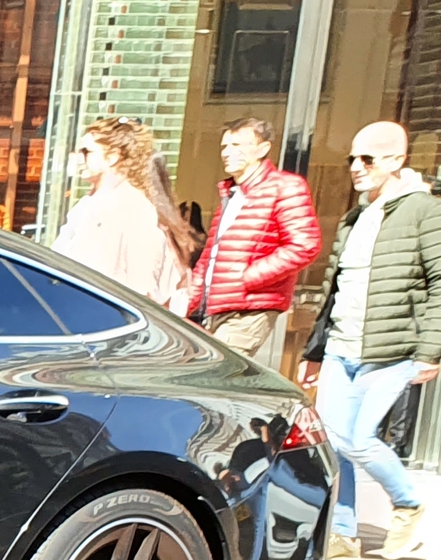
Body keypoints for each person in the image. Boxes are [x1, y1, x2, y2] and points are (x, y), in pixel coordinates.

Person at [300, 120, 435, 560]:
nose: (356, 167)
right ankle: (342, 531)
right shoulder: (356, 216)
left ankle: (408, 504)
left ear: (396, 161)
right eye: (352, 159)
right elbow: (334, 289)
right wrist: (316, 352)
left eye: (367, 159)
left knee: (357, 439)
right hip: (342, 346)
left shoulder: (422, 212)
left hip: (391, 349)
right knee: (333, 441)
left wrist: (430, 352)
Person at [188, 117, 321, 370]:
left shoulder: (285, 187)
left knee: (217, 376)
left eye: (237, 145)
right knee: (212, 377)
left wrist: (248, 277)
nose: (227, 153)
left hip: (249, 309)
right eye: (225, 146)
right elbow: (210, 257)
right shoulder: (232, 192)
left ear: (263, 149)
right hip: (219, 306)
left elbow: (305, 244)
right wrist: (190, 299)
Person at [53, 117, 196, 305]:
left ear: (112, 157)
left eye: (86, 151)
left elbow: (142, 288)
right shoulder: (87, 204)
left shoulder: (135, 209)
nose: (79, 158)